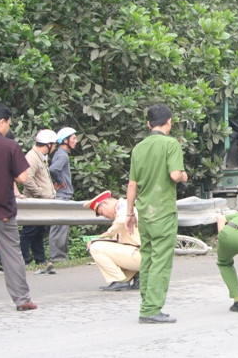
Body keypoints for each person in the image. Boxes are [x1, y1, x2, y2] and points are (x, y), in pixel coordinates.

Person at [125, 104, 188, 324]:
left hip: (144, 212)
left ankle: (146, 303)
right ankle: (151, 308)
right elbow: (174, 174)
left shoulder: (138, 149)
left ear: (149, 124)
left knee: (148, 258)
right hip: (163, 212)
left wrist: (129, 213)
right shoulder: (171, 145)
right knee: (161, 260)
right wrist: (183, 176)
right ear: (169, 121)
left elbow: (132, 185)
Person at [0, 103, 37, 311]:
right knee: (11, 255)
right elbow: (23, 177)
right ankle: (22, 299)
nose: (8, 129)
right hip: (2, 212)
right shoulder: (9, 146)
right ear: (1, 122)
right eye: (8, 125)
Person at [83, 190, 141, 291]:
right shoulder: (125, 207)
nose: (104, 216)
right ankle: (139, 276)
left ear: (105, 203)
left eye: (102, 212)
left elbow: (120, 222)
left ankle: (120, 281)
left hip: (141, 255)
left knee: (96, 247)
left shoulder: (123, 207)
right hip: (144, 254)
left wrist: (97, 239)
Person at [19, 129, 57, 271]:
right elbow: (27, 179)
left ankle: (40, 260)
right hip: (35, 201)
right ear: (48, 144)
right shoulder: (32, 157)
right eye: (54, 144)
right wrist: (41, 193)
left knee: (39, 231)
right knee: (29, 231)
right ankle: (24, 260)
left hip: (42, 202)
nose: (55, 148)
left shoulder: (41, 156)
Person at [48, 126, 77, 261]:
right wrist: (60, 181)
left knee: (61, 227)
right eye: (73, 138)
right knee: (59, 227)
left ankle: (59, 256)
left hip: (63, 195)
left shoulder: (61, 154)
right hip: (62, 196)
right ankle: (57, 257)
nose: (76, 141)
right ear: (65, 140)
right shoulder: (62, 155)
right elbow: (53, 170)